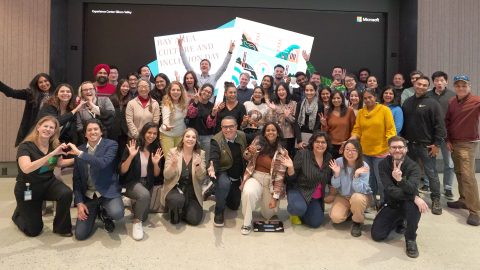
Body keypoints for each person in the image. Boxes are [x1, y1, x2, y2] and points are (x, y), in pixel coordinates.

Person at [12, 116, 73, 237]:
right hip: (28, 188)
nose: (48, 129)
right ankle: (18, 214)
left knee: (66, 193)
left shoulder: (55, 145)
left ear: (55, 131)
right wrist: (52, 154)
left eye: (52, 127)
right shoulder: (25, 146)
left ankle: (61, 228)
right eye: (45, 126)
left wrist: (80, 157)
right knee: (34, 230)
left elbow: (59, 163)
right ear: (38, 127)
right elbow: (26, 168)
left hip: (48, 183)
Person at [371, 136, 429, 258]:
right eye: (394, 147)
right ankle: (400, 220)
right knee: (377, 235)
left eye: (400, 147)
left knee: (414, 207)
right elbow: (390, 190)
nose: (397, 150)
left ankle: (411, 238)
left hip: (408, 204)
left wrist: (400, 180)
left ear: (406, 149)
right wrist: (414, 197)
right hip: (392, 203)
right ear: (389, 150)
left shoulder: (413, 166)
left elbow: (412, 188)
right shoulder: (383, 165)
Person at [70, 119, 124, 240]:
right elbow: (77, 179)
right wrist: (79, 203)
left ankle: (105, 213)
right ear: (85, 134)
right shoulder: (80, 149)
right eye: (89, 130)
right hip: (89, 195)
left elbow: (102, 163)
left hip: (107, 191)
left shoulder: (111, 145)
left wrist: (80, 154)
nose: (92, 132)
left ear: (101, 132)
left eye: (96, 129)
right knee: (80, 234)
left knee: (117, 213)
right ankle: (96, 212)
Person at [402, 75, 445, 215]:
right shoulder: (407, 102)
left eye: (424, 85)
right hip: (409, 146)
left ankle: (436, 200)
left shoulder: (433, 103)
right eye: (419, 84)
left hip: (426, 146)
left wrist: (437, 144)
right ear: (414, 84)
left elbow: (440, 126)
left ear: (427, 87)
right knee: (410, 173)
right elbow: (404, 125)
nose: (421, 86)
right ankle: (413, 196)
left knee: (431, 174)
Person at [240, 122, 288, 235]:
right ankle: (246, 223)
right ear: (264, 133)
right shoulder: (257, 142)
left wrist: (275, 198)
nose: (270, 132)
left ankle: (265, 200)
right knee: (248, 193)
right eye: (268, 130)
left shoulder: (283, 152)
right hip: (255, 176)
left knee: (268, 214)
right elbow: (246, 157)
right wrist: (249, 152)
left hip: (270, 182)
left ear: (278, 133)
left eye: (273, 130)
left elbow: (280, 177)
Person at [350, 88, 396, 204]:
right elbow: (357, 130)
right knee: (368, 180)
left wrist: (392, 146)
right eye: (365, 98)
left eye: (370, 97)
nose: (367, 100)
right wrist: (351, 139)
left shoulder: (385, 110)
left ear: (375, 97)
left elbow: (390, 130)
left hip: (381, 152)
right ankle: (371, 202)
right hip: (365, 152)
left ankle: (385, 204)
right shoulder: (361, 112)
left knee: (381, 181)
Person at [445, 75, 480, 226]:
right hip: (454, 143)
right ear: (454, 87)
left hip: (468, 144)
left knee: (468, 176)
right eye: (458, 85)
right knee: (459, 172)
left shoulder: (476, 101)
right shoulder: (452, 101)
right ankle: (464, 199)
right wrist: (448, 140)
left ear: (469, 87)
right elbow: (447, 121)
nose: (461, 88)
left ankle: (475, 211)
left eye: (464, 85)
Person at [119, 122, 164, 240]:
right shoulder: (133, 145)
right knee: (144, 196)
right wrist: (131, 156)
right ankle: (136, 222)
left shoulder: (156, 149)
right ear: (144, 132)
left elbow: (156, 174)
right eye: (149, 132)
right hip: (131, 182)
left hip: (146, 183)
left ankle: (131, 202)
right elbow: (123, 170)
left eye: (155, 133)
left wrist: (155, 164)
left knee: (144, 215)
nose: (152, 136)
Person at [285, 131, 333, 228]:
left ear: (327, 144)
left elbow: (329, 179)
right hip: (300, 191)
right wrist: (290, 168)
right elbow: (291, 179)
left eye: (323, 142)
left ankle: (304, 210)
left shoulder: (328, 157)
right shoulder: (303, 154)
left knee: (315, 223)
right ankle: (295, 211)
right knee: (298, 208)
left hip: (315, 197)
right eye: (317, 142)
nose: (320, 144)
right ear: (312, 143)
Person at [161, 128, 207, 225]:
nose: (190, 139)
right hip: (175, 188)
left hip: (192, 190)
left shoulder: (200, 153)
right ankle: (175, 209)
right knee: (177, 200)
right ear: (183, 138)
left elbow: (202, 177)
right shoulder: (173, 152)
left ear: (196, 140)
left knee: (194, 220)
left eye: (193, 137)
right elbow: (166, 176)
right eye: (187, 136)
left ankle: (181, 209)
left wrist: (198, 166)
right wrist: (172, 166)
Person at [208, 116, 247, 226]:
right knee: (224, 184)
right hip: (222, 171)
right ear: (221, 128)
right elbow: (213, 157)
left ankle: (216, 190)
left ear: (236, 127)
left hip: (235, 174)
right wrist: (212, 168)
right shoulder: (216, 140)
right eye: (225, 127)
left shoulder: (242, 135)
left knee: (234, 206)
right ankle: (219, 210)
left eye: (231, 126)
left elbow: (256, 138)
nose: (228, 130)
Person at [328, 139, 371, 237]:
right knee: (336, 218)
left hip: (361, 196)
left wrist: (356, 176)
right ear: (343, 150)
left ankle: (357, 222)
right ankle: (352, 212)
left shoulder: (364, 166)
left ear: (359, 151)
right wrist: (337, 174)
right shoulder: (339, 162)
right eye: (347, 149)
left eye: (354, 150)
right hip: (344, 196)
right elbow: (335, 185)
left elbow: (361, 190)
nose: (350, 153)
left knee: (357, 198)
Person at [0, 73, 55, 146]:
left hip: (50, 132)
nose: (44, 84)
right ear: (37, 85)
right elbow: (11, 93)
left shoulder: (57, 95)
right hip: (32, 131)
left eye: (46, 81)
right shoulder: (31, 94)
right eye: (40, 82)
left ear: (50, 81)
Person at [425, 71, 455, 198]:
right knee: (430, 161)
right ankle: (428, 184)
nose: (439, 83)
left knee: (449, 163)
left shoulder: (453, 96)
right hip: (431, 135)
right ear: (433, 82)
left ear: (446, 81)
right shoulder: (427, 95)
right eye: (436, 80)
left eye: (442, 80)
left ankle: (448, 187)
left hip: (447, 136)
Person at [186, 83, 218, 164]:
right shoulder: (193, 101)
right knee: (190, 156)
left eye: (209, 92)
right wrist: (195, 103)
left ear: (211, 95)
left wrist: (213, 114)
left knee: (205, 158)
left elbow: (210, 124)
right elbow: (190, 115)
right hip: (192, 135)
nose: (206, 93)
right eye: (205, 90)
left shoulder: (212, 106)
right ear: (201, 91)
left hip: (206, 136)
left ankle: (203, 175)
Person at [320, 90, 356, 159]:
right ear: (331, 100)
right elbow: (325, 132)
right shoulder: (328, 112)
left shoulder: (349, 111)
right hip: (330, 146)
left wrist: (349, 142)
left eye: (338, 98)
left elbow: (354, 128)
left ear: (342, 99)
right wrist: (324, 124)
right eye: (334, 98)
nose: (336, 100)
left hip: (345, 145)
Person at [265, 82, 297, 156]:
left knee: (286, 157)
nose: (281, 92)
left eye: (283, 90)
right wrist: (272, 110)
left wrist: (287, 116)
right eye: (279, 90)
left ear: (287, 91)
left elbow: (294, 121)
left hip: (289, 136)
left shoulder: (293, 103)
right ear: (276, 92)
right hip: (276, 135)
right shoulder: (273, 104)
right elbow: (269, 121)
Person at [160, 81, 188, 155]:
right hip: (167, 136)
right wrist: (166, 127)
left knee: (179, 159)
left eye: (178, 90)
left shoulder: (184, 103)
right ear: (169, 91)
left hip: (180, 135)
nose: (176, 92)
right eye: (173, 90)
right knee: (170, 160)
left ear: (181, 92)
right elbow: (165, 121)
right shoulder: (166, 104)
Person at [294, 82, 322, 150]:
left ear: (315, 91)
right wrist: (299, 141)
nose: (309, 92)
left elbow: (318, 124)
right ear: (304, 91)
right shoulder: (300, 104)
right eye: (307, 90)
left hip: (314, 137)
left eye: (311, 90)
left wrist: (311, 141)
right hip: (300, 137)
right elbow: (296, 123)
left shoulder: (320, 105)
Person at [108, 79, 131, 157]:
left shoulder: (130, 101)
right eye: (123, 86)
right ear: (119, 87)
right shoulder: (111, 99)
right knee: (112, 153)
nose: (126, 88)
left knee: (123, 154)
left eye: (127, 87)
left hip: (125, 132)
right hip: (113, 132)